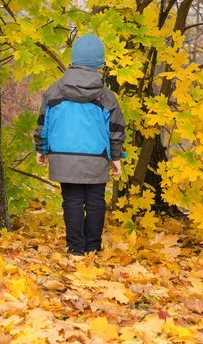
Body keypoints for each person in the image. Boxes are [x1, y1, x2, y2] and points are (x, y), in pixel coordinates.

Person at [34, 34, 126, 256]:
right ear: (100, 64)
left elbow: (43, 123)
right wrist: (116, 157)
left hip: (64, 157)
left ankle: (75, 249)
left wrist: (42, 148)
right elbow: (116, 128)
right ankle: (93, 248)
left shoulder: (53, 91)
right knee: (95, 201)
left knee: (72, 201)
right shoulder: (107, 96)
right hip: (96, 157)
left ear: (73, 60)